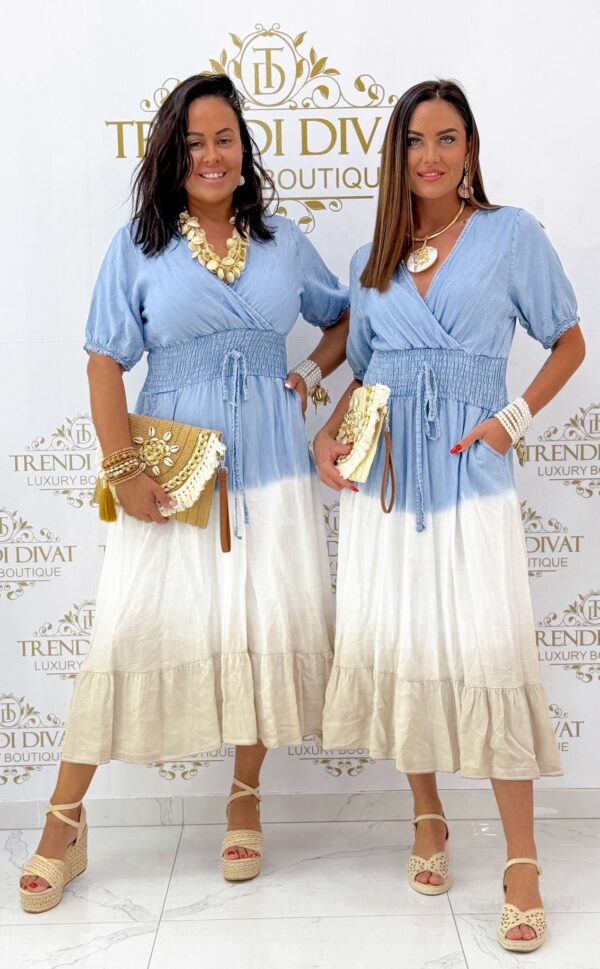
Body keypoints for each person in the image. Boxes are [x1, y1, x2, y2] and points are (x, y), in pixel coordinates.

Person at [19, 72, 349, 912]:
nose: (211, 155)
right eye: (195, 142)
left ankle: (245, 796)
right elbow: (104, 359)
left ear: (243, 149)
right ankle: (64, 821)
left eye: (224, 138)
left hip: (271, 473)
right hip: (174, 476)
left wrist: (310, 375)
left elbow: (344, 317)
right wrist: (123, 469)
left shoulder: (282, 242)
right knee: (128, 629)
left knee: (261, 625)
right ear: (173, 154)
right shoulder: (140, 245)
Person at [315, 79, 584, 954]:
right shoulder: (373, 256)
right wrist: (330, 431)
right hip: (389, 486)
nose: (429, 155)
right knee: (407, 646)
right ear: (396, 155)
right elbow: (368, 370)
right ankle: (426, 814)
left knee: (490, 649)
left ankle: (522, 859)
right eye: (414, 140)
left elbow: (569, 339)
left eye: (446, 137)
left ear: (469, 149)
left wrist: (513, 419)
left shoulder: (512, 235)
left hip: (472, 475)